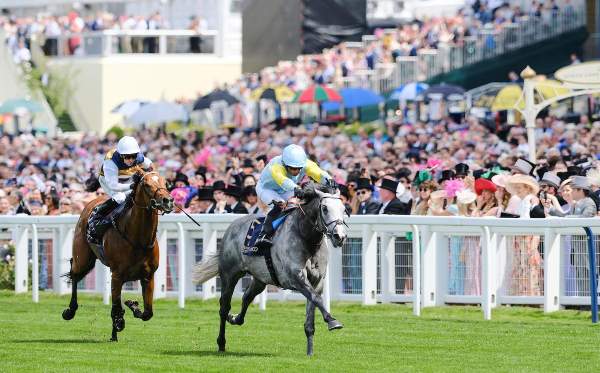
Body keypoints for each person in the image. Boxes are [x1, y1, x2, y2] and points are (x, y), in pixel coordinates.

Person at [254, 144, 332, 250]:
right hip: (267, 189)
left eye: (298, 169)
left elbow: (317, 173)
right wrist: (296, 188)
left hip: (287, 189)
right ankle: (263, 235)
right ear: (285, 164)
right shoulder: (276, 165)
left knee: (302, 203)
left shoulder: (305, 163)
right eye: (292, 168)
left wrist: (330, 180)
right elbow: (282, 180)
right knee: (280, 205)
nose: (296, 172)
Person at [87, 136, 152, 245]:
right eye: (127, 157)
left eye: (133, 156)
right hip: (110, 182)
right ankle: (97, 217)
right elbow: (113, 186)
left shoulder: (139, 157)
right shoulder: (111, 161)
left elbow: (150, 165)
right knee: (120, 198)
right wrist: (131, 186)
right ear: (121, 155)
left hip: (127, 180)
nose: (131, 160)